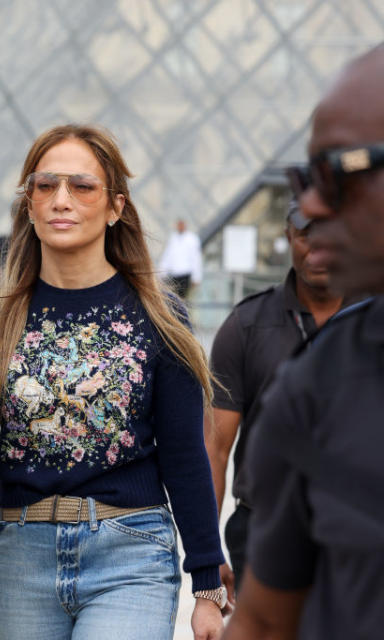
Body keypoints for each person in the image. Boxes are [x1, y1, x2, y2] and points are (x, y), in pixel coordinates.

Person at [0, 124, 227, 639]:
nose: (60, 200)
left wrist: (207, 585)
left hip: (130, 551)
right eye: (45, 186)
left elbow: (184, 456)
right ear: (28, 204)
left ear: (115, 207)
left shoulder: (159, 317)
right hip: (19, 555)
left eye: (81, 186)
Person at [224, 44, 384, 640]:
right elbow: (266, 623)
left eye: (337, 172)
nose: (311, 207)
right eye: (304, 179)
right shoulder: (321, 382)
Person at [204, 197, 359, 602]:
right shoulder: (245, 326)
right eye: (308, 235)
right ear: (289, 236)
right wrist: (207, 549)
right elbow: (216, 448)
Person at [159, 218, 203, 299]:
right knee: (172, 298)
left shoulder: (192, 239)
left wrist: (196, 277)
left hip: (185, 274)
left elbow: (196, 258)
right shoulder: (173, 238)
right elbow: (167, 257)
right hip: (173, 275)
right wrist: (162, 273)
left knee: (183, 298)